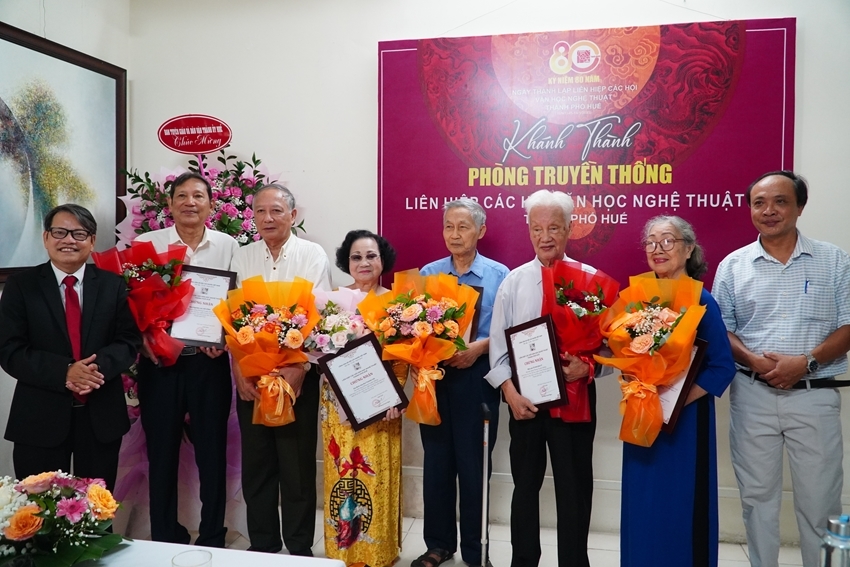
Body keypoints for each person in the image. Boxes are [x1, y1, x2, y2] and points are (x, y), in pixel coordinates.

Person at [713, 171, 850, 567]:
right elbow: (724, 331)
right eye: (759, 203)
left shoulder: (835, 260)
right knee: (757, 499)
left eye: (780, 201)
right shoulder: (733, 265)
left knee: (821, 500)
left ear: (799, 207)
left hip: (814, 395)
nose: (768, 211)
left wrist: (805, 362)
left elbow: (847, 326)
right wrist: (753, 360)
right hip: (753, 394)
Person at [485, 189, 598, 567]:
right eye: (537, 228)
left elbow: (612, 351)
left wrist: (591, 366)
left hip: (576, 404)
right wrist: (510, 394)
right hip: (526, 404)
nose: (545, 236)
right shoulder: (514, 282)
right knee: (525, 488)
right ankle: (524, 561)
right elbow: (497, 349)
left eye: (554, 227)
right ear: (529, 231)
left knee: (574, 490)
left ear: (569, 229)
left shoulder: (590, 281)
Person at [619, 216, 735, 567]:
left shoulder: (702, 300)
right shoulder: (636, 301)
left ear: (688, 249)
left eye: (668, 241)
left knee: (679, 504)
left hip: (684, 426)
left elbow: (722, 367)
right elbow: (624, 356)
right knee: (641, 504)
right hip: (642, 421)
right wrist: (632, 382)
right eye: (651, 242)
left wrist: (676, 398)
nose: (658, 249)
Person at [0, 204, 141, 490]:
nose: (69, 240)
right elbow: (9, 349)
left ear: (91, 240)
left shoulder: (113, 285)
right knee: (39, 515)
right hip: (40, 419)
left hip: (100, 418)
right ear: (46, 237)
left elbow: (128, 340)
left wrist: (93, 370)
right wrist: (65, 372)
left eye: (79, 233)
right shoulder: (20, 286)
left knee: (97, 512)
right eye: (60, 232)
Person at [133, 172, 240, 547]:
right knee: (161, 451)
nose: (190, 202)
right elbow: (129, 304)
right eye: (182, 196)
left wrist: (225, 338)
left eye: (198, 195)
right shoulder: (148, 244)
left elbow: (240, 304)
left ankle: (212, 535)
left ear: (212, 204)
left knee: (211, 451)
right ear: (170, 204)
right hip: (159, 364)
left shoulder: (229, 246)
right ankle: (165, 534)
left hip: (207, 363)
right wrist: (144, 338)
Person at [230, 183, 331, 556]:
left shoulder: (312, 254)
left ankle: (300, 548)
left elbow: (319, 319)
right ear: (252, 216)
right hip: (252, 377)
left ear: (293, 215)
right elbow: (232, 319)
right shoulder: (243, 257)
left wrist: (302, 366)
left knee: (297, 466)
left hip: (295, 377)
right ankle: (264, 544)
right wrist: (239, 370)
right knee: (257, 465)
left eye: (276, 211)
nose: (268, 218)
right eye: (260, 211)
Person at [413, 199, 508, 567]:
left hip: (478, 379)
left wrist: (479, 347)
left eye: (463, 227)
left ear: (480, 231)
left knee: (474, 466)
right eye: (449, 226)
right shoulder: (429, 272)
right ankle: (438, 544)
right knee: (436, 464)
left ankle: (475, 549)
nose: (455, 234)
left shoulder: (500, 276)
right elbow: (412, 326)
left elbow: (512, 331)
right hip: (434, 381)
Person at [320, 229, 406, 566]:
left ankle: (377, 548)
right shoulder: (331, 303)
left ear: (382, 260)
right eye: (356, 257)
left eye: (371, 255)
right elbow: (320, 353)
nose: (364, 262)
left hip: (381, 406)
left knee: (375, 471)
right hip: (338, 404)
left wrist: (395, 397)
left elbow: (403, 356)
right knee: (343, 470)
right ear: (346, 262)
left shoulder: (397, 304)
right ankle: (343, 547)